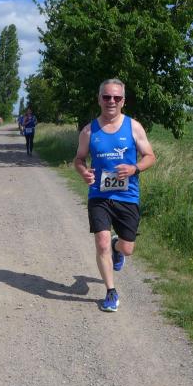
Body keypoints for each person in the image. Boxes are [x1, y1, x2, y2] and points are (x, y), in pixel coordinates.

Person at [73, 78, 156, 312]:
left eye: (116, 97)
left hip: (127, 195)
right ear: (99, 99)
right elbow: (79, 159)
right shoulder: (89, 131)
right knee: (101, 244)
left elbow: (150, 156)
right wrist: (83, 172)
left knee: (127, 248)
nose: (111, 101)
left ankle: (117, 247)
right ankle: (110, 292)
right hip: (99, 195)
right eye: (107, 97)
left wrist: (134, 168)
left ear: (123, 101)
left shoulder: (134, 127)